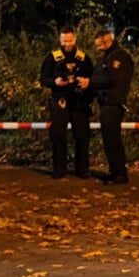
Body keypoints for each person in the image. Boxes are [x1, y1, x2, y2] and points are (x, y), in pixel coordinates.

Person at [39, 27, 94, 179]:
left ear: (75, 39)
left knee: (82, 135)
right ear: (60, 40)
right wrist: (54, 82)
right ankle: (59, 169)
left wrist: (86, 82)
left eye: (70, 40)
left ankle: (82, 169)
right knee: (57, 135)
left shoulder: (83, 58)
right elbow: (43, 79)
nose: (67, 44)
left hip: (79, 101)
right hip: (59, 100)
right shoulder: (52, 57)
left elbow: (93, 78)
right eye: (64, 41)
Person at [91, 29, 134, 185]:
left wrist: (91, 82)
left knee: (113, 140)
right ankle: (115, 171)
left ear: (106, 41)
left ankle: (120, 173)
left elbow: (111, 78)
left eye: (99, 45)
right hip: (106, 104)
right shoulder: (108, 57)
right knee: (109, 140)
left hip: (113, 104)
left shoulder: (119, 58)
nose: (97, 49)